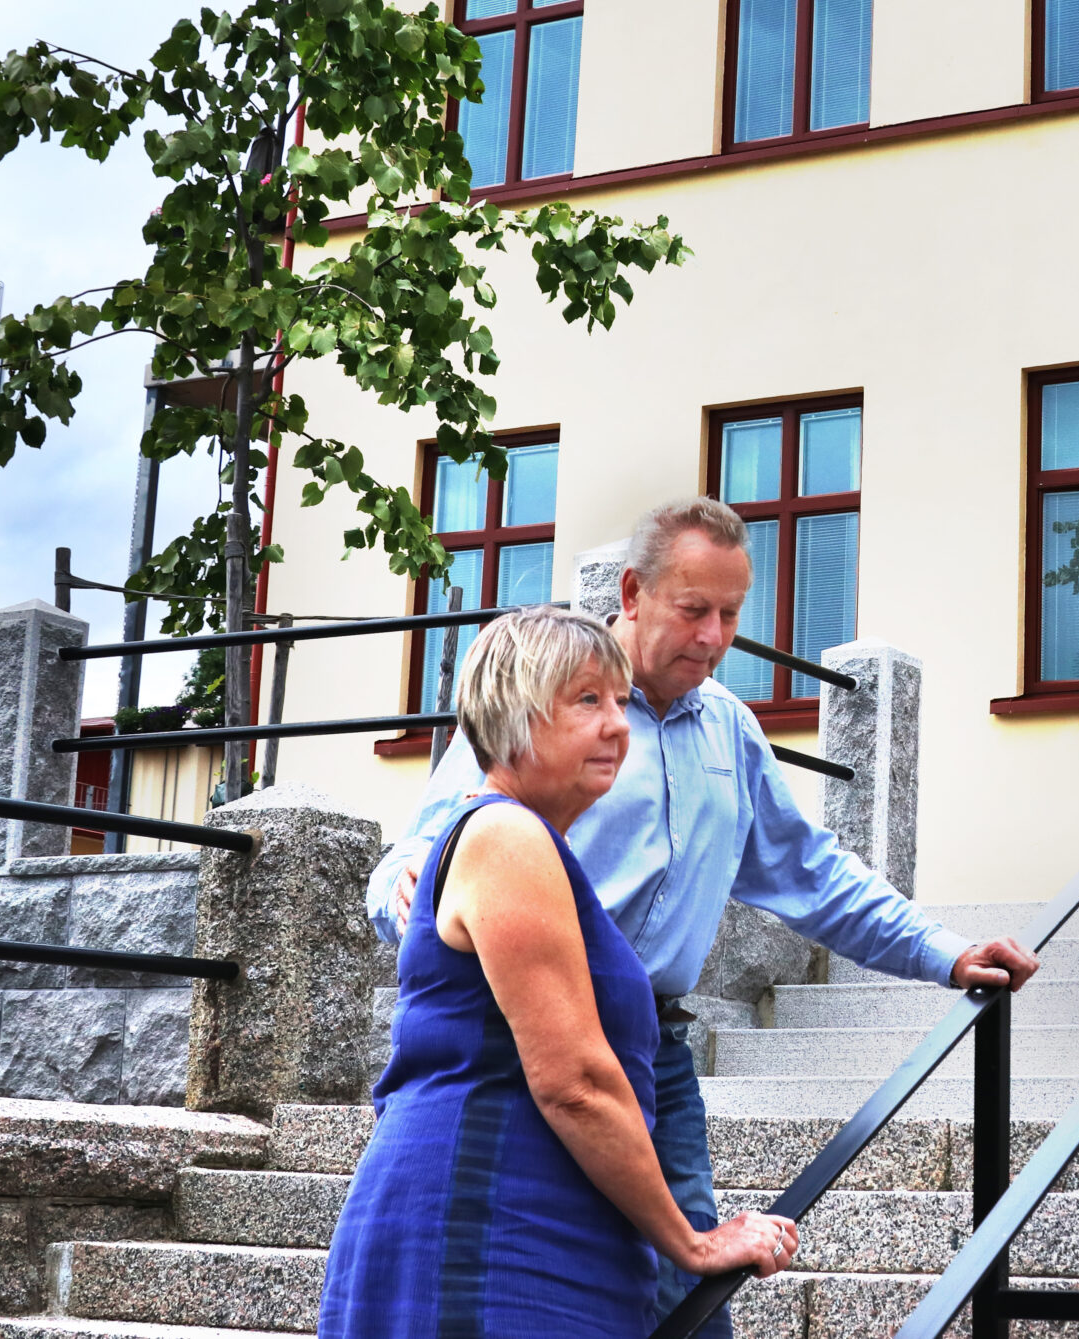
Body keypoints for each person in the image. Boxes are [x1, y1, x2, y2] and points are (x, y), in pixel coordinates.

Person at [369, 496, 1040, 1339]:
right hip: (520, 1044)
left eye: (731, 613)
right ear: (634, 592)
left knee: (683, 1304)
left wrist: (944, 952)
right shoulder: (540, 703)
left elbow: (811, 872)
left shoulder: (729, 728)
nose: (716, 636)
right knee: (533, 1286)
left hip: (652, 1049)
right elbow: (420, 863)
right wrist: (412, 895)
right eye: (695, 610)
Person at [320, 606, 800, 1338]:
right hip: (487, 1227)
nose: (618, 724)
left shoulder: (526, 841)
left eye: (618, 700)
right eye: (588, 700)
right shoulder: (506, 836)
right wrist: (692, 1240)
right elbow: (574, 1081)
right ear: (514, 715)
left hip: (530, 1216)